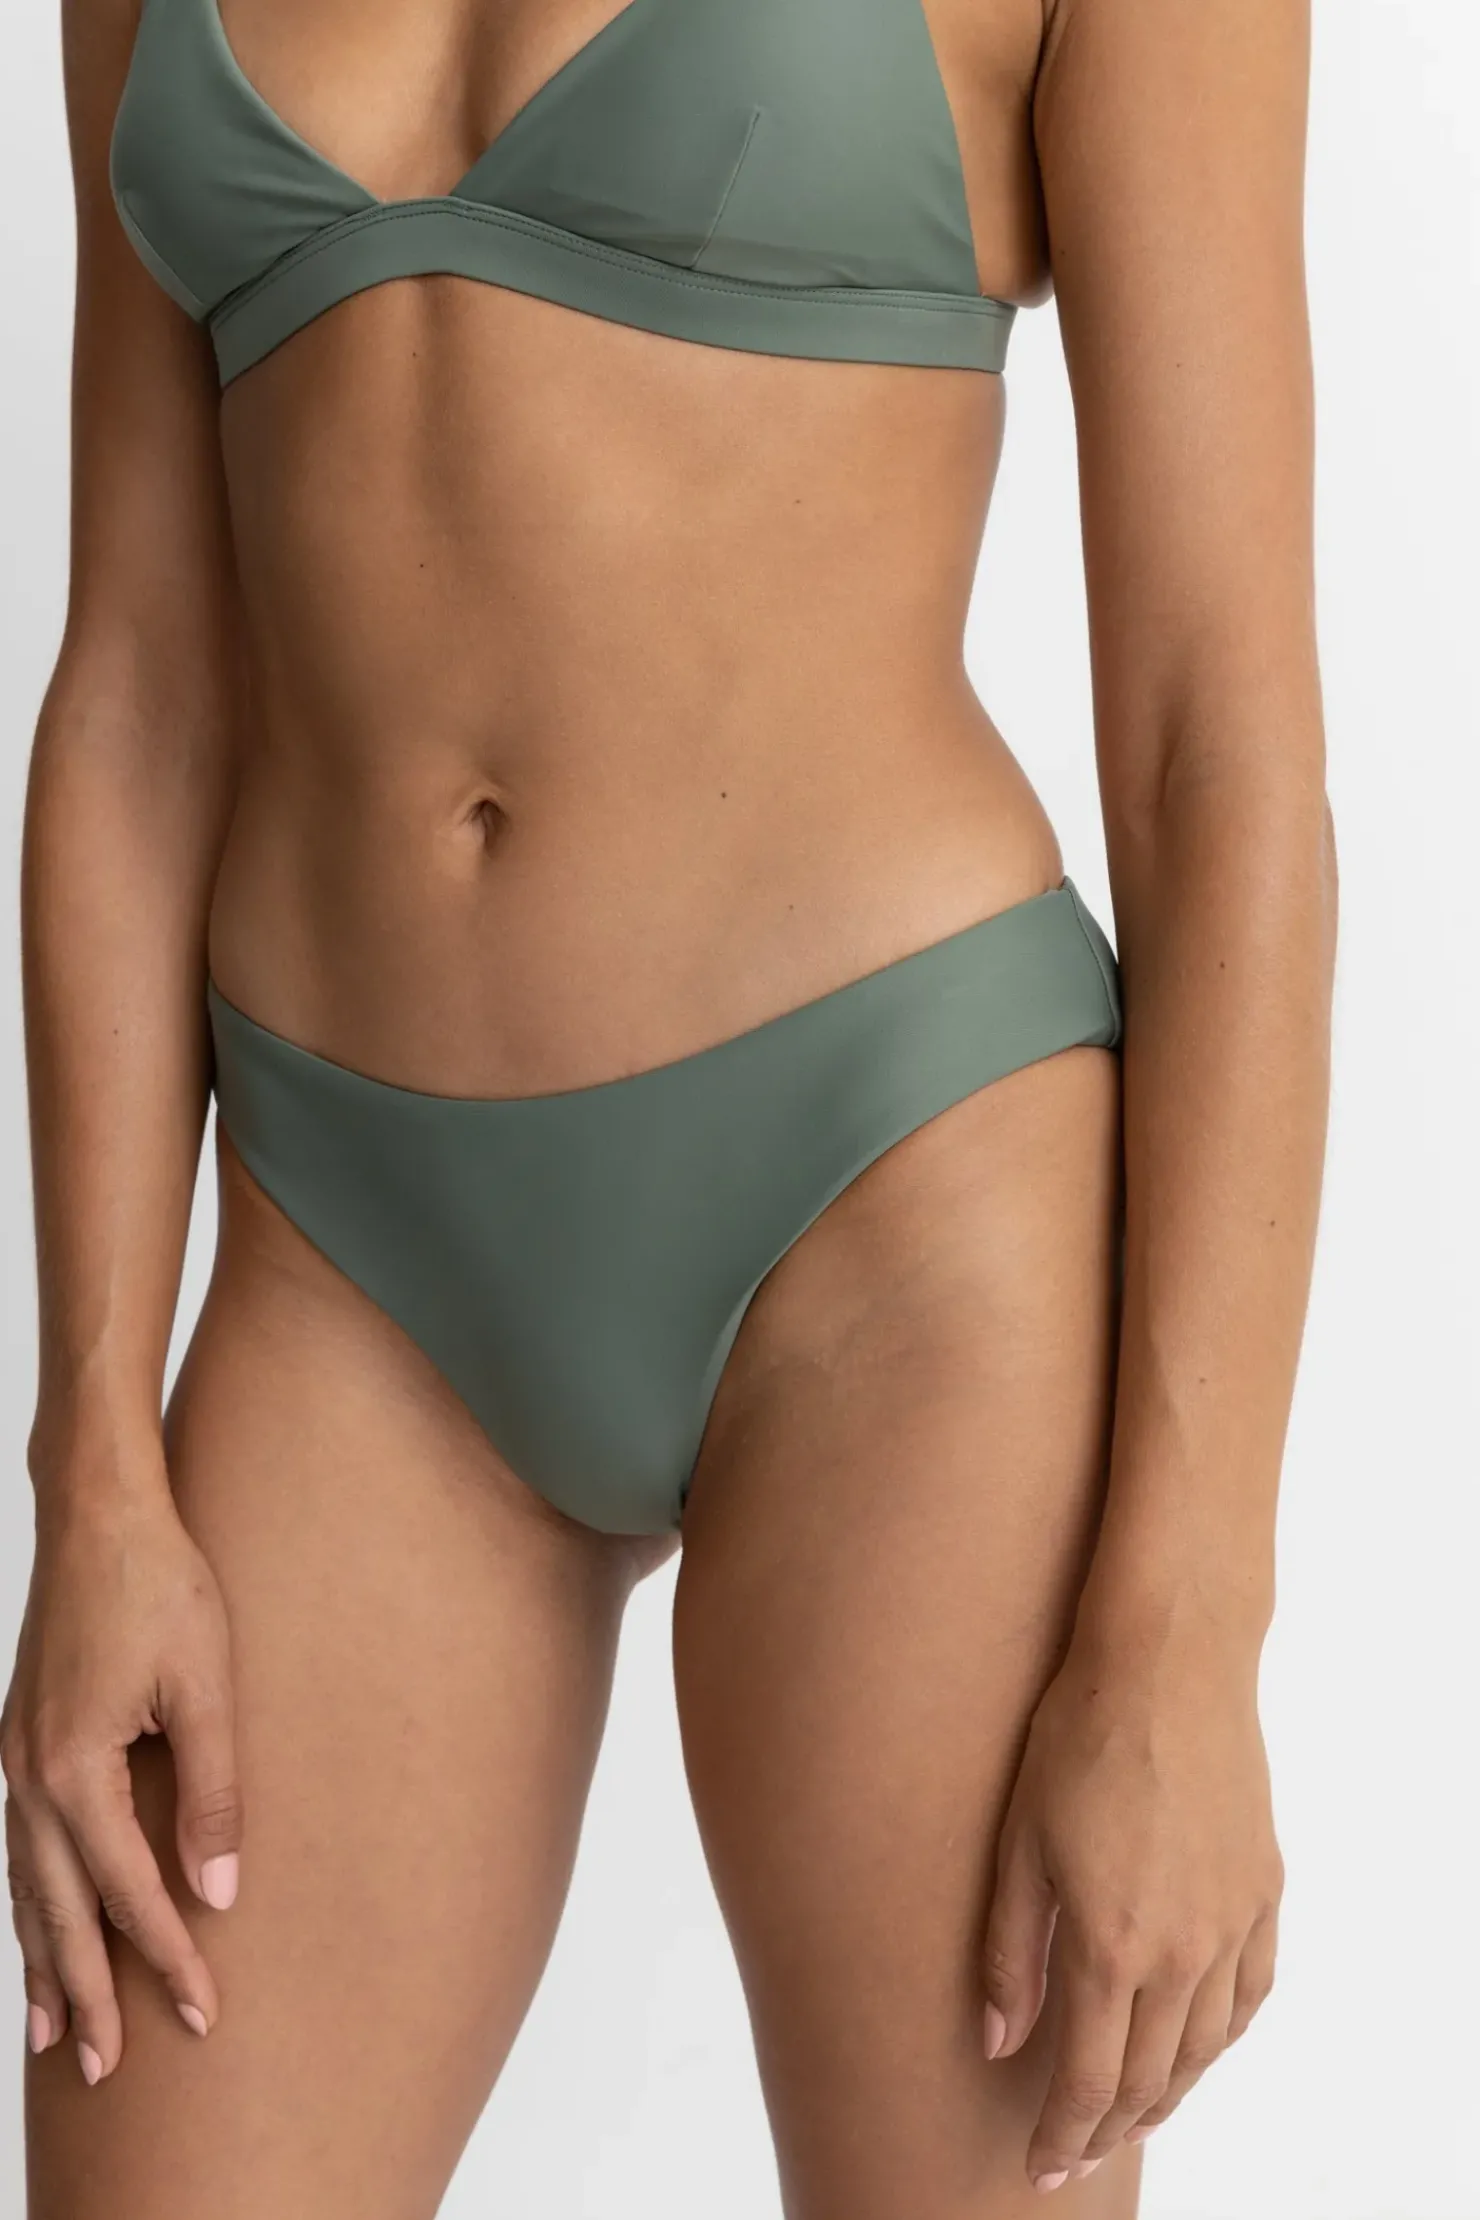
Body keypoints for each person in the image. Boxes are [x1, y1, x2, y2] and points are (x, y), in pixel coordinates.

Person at [2, 0, 1335, 2211]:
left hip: (893, 1210)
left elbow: (1222, 752)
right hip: (348, 1264)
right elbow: (137, 691)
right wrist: (94, 1471)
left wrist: (1188, 1628)